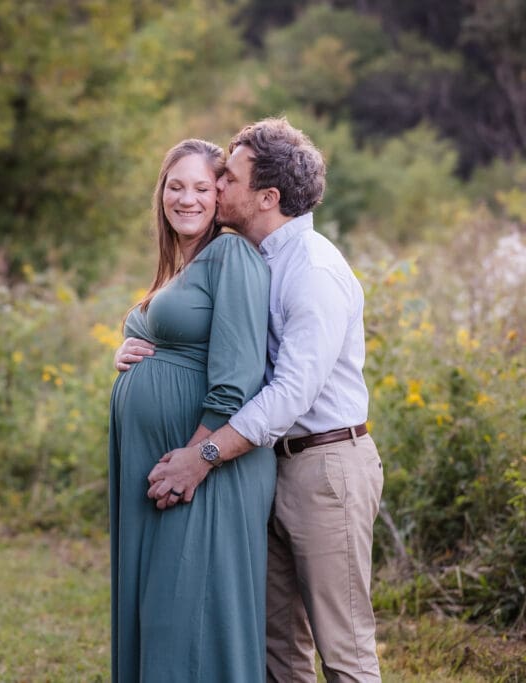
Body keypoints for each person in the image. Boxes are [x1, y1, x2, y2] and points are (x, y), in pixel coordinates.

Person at [124, 118, 384, 683]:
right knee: (279, 650)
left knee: (345, 650)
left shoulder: (311, 270)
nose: (215, 188)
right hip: (268, 467)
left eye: (228, 179)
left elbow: (291, 391)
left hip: (325, 467)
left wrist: (205, 454)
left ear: (267, 198)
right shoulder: (255, 257)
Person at [108, 138, 276, 682]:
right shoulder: (182, 265)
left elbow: (239, 376)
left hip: (205, 465)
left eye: (202, 187)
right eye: (175, 186)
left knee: (190, 618)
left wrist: (194, 456)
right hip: (169, 462)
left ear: (221, 194)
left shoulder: (232, 254)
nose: (187, 199)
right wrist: (125, 349)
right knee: (162, 613)